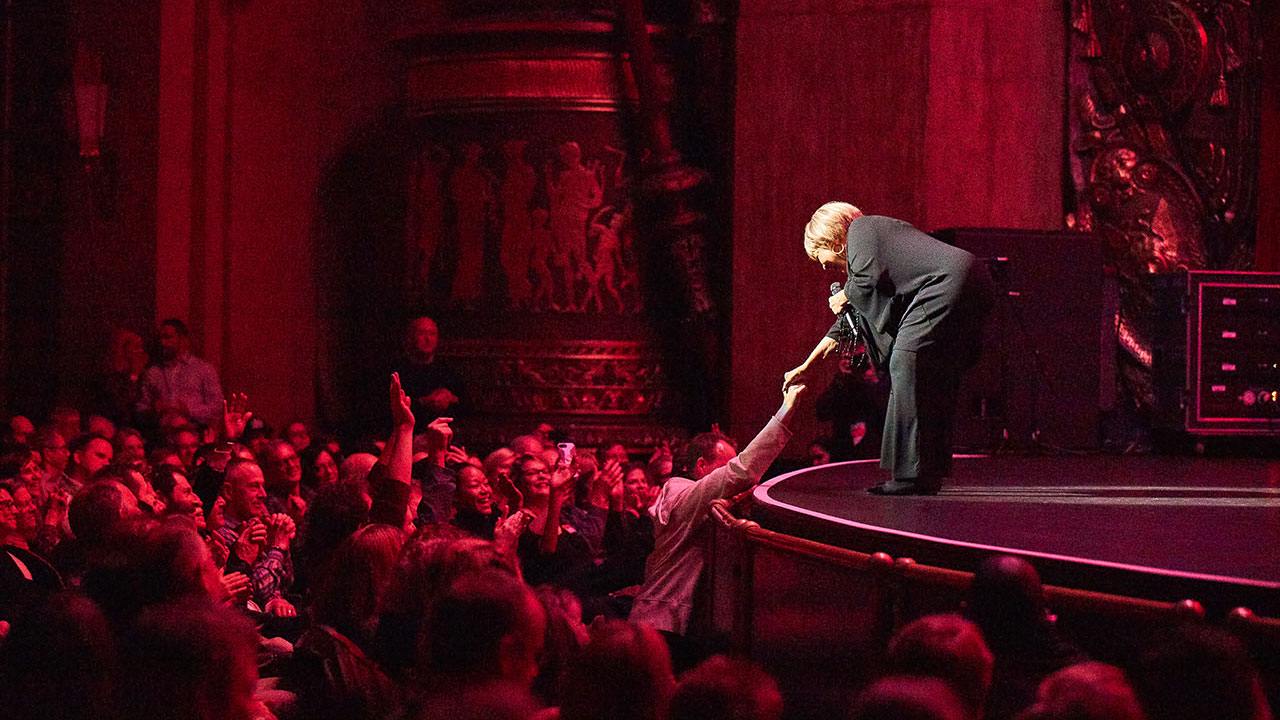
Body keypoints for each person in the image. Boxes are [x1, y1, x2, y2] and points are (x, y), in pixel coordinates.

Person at [785, 203, 993, 495]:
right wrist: (807, 366)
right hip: (967, 281)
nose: (823, 266)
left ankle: (910, 476)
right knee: (933, 375)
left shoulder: (861, 230)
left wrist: (846, 294)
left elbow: (862, 286)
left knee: (905, 361)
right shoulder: (873, 251)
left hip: (949, 283)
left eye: (821, 256)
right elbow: (845, 326)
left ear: (834, 241)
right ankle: (928, 471)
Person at [630, 381, 805, 648]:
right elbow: (741, 472)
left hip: (687, 628)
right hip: (660, 627)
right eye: (724, 466)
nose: (729, 477)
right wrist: (785, 413)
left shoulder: (707, 499)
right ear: (701, 465)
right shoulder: (679, 492)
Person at [137, 318, 224, 428]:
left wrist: (188, 410)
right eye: (160, 338)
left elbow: (217, 407)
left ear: (182, 339)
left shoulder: (203, 369)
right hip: (162, 436)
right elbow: (141, 406)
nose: (162, 342)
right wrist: (153, 409)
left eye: (167, 337)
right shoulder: (152, 372)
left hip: (194, 434)